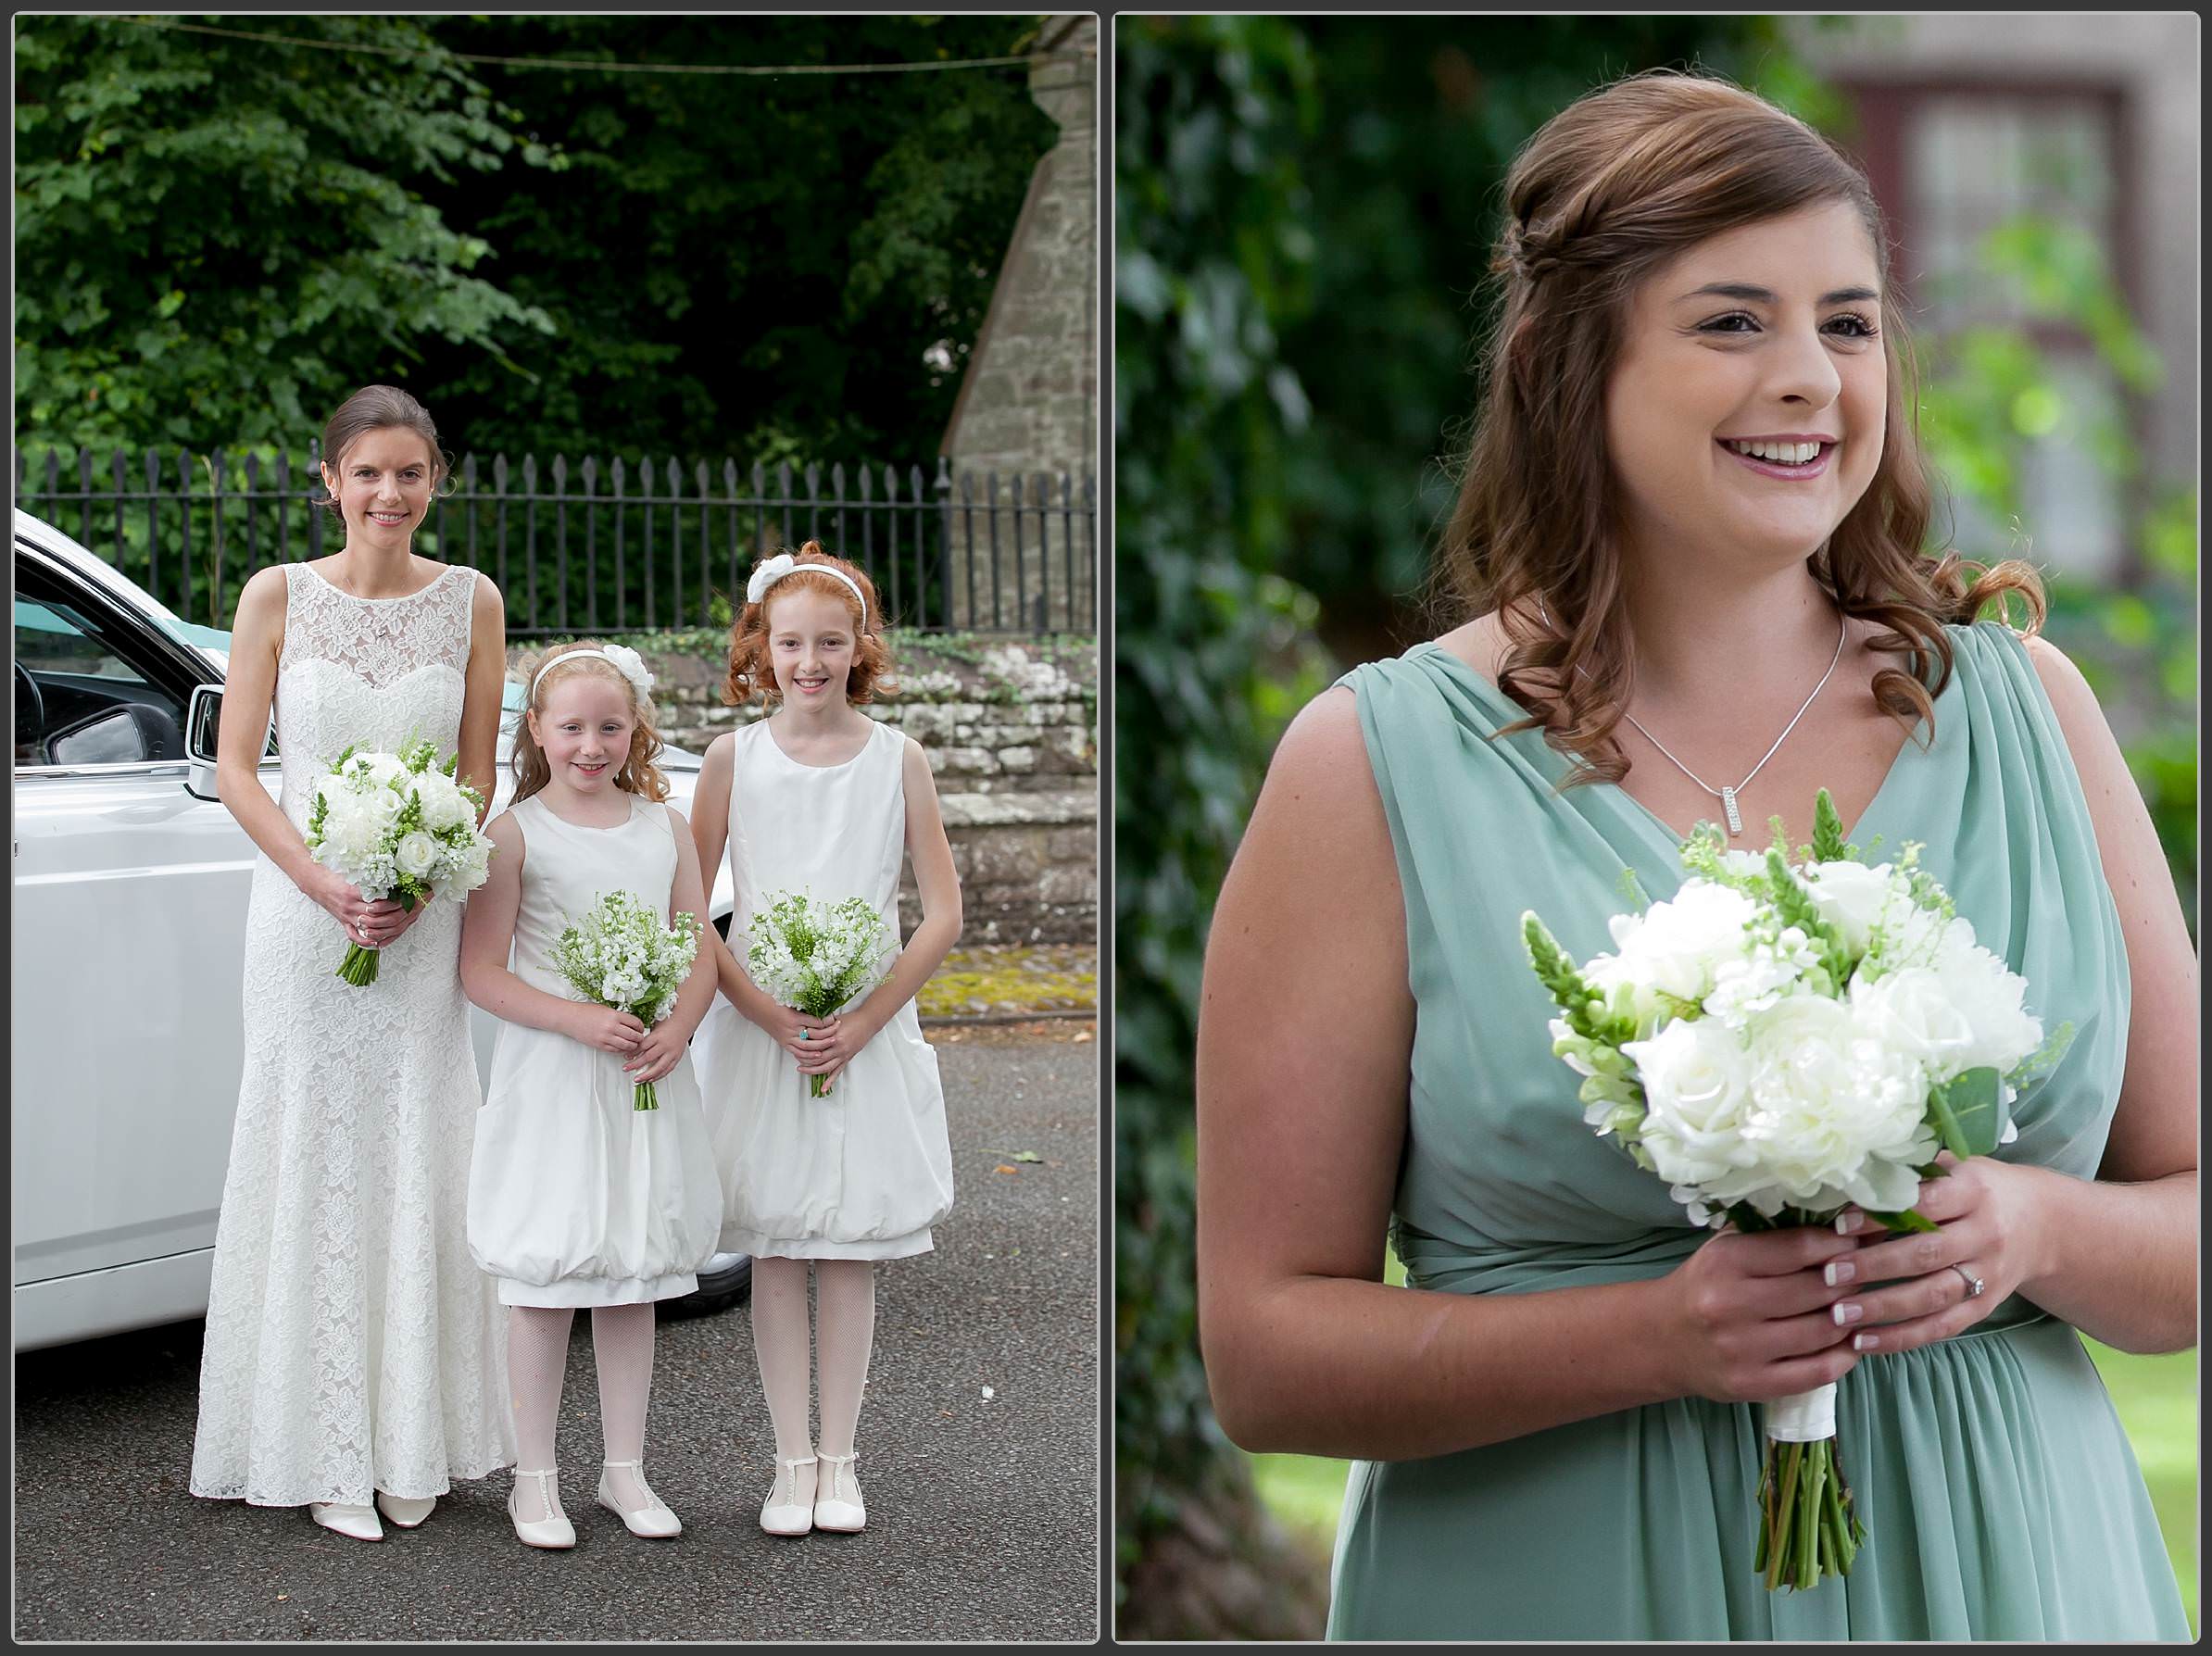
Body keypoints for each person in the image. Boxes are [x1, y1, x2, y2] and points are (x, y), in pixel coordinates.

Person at [1196, 71, 2195, 1640]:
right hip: (1556, 1581)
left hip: (2004, 1577)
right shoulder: (1367, 764)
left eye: (1847, 323)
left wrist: (2032, 1226)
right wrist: (1660, 1335)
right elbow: (1261, 1352)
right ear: (1570, 366)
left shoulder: (2026, 713)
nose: (1807, 377)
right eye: (1731, 322)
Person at [190, 385, 515, 1540]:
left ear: (436, 484)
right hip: (300, 919)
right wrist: (322, 882)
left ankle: (412, 1440)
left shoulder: (473, 602)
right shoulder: (276, 595)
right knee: (311, 1151)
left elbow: (480, 772)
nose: (389, 494)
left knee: (417, 1148)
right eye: (367, 472)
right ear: (329, 480)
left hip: (416, 930)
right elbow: (239, 767)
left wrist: (425, 876)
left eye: (411, 474)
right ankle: (325, 1450)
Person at [689, 542, 961, 1537]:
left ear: (861, 648)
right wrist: (767, 1013)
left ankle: (840, 1462)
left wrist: (863, 1020)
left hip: (865, 1030)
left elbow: (940, 914)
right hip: (767, 1033)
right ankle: (787, 1462)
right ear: (762, 648)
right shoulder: (732, 761)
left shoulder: (899, 759)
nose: (811, 661)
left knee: (848, 1247)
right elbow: (692, 910)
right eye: (792, 643)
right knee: (773, 1245)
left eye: (831, 643)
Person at [459, 641, 724, 1549]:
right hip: (555, 1084)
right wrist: (578, 1020)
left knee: (631, 1279)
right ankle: (534, 1483)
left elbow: (696, 946)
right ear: (537, 729)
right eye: (570, 727)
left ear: (634, 729)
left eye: (609, 727)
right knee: (547, 1276)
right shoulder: (514, 833)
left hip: (643, 1077)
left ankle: (624, 1472)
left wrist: (679, 1027)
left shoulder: (665, 826)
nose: (590, 745)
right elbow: (482, 974)